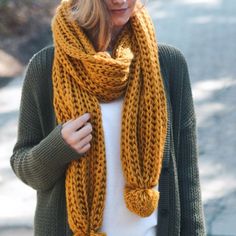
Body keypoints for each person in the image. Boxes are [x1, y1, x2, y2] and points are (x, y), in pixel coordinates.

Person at [10, 0, 206, 235]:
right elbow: (24, 167)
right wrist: (58, 146)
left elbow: (187, 173)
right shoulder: (46, 67)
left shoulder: (167, 63)